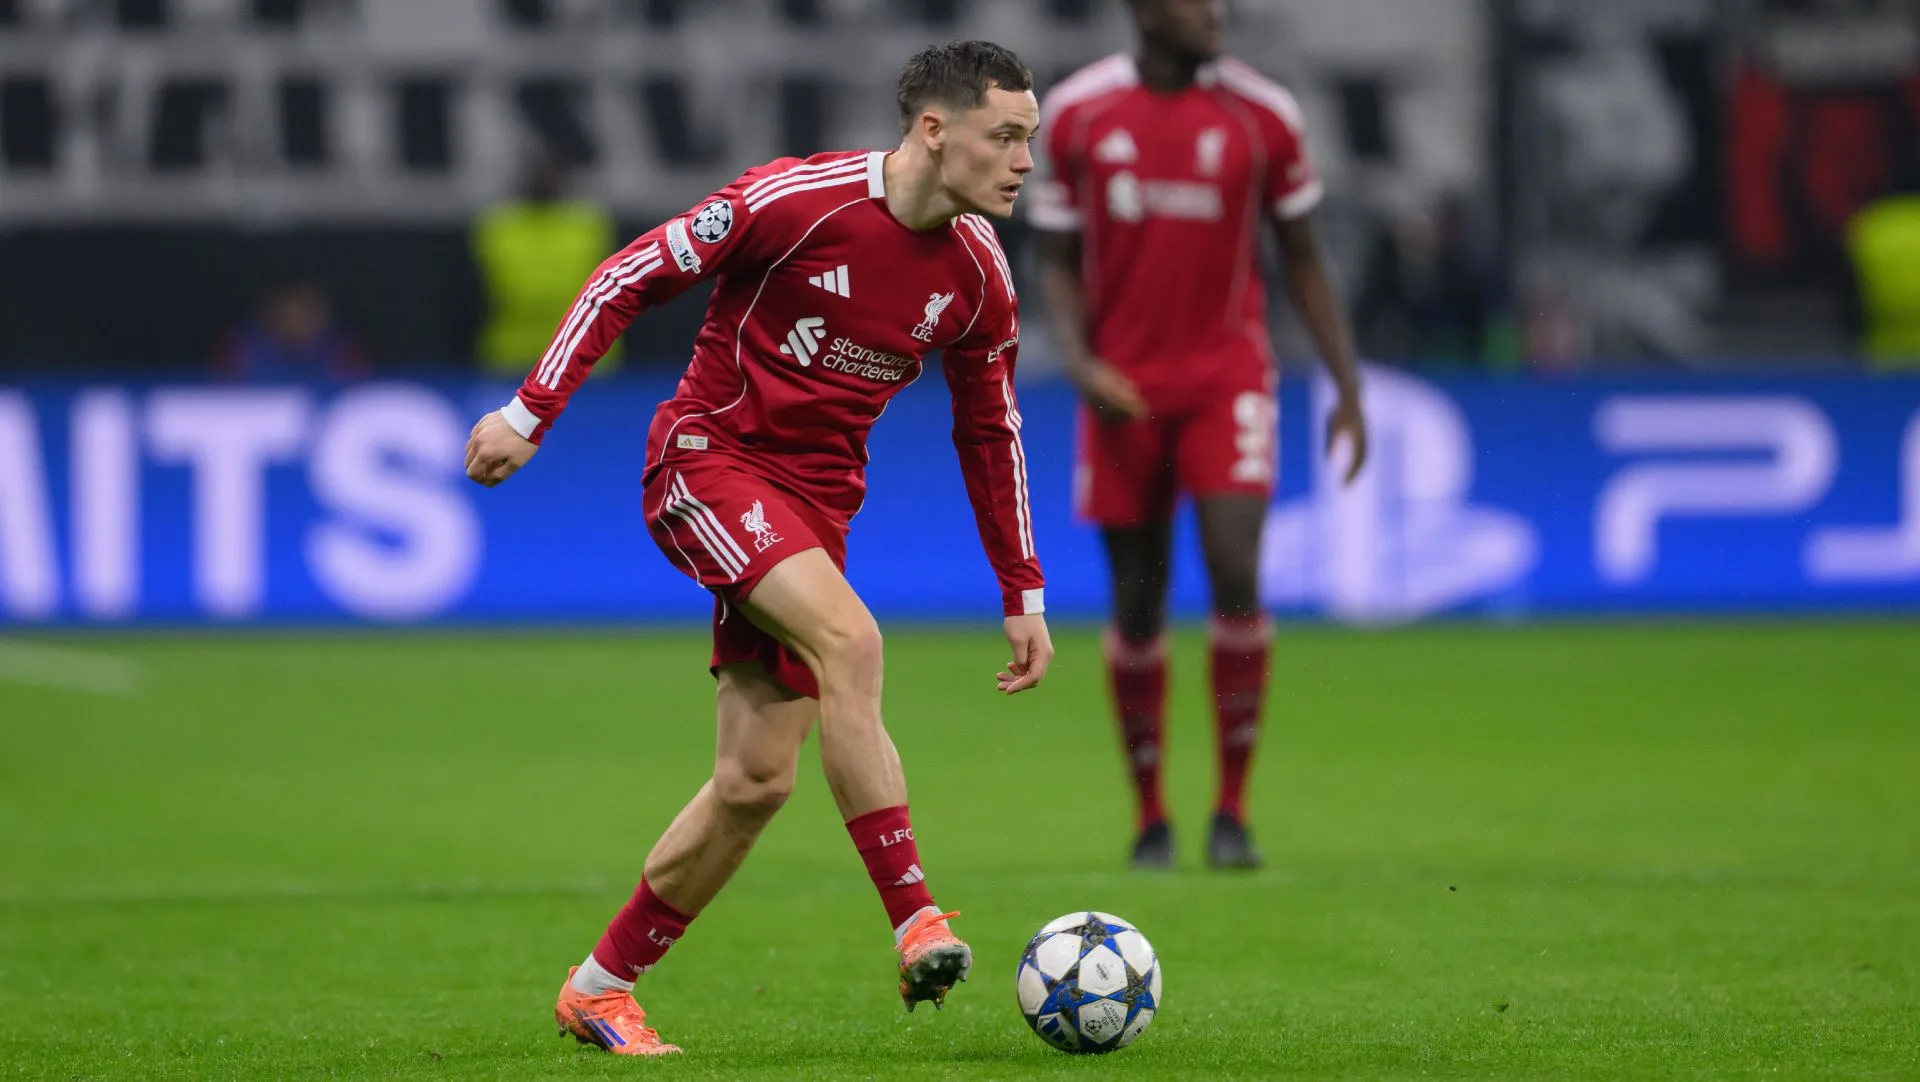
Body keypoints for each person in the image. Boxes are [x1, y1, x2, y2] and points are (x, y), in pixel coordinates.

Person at [463, 40, 1051, 1056]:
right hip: (706, 461)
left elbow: (991, 432)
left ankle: (601, 986)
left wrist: (1023, 588)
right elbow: (629, 273)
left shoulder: (978, 277)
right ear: (933, 129)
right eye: (1005, 136)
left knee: (755, 783)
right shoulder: (797, 200)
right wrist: (531, 408)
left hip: (814, 516)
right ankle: (916, 914)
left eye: (1029, 139)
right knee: (852, 644)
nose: (1023, 161)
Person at [1029, 0, 1368, 871]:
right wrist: (1079, 363)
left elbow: (1301, 255)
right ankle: (1150, 816)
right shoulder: (1078, 113)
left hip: (1227, 378)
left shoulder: (1263, 115)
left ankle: (1232, 812)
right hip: (1122, 390)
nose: (1218, 10)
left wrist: (1345, 381)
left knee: (1236, 572)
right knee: (1138, 603)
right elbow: (1057, 261)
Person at [471, 144, 623, 377]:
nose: (542, 179)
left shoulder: (589, 224)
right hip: (513, 355)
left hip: (583, 354)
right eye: (535, 172)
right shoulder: (498, 225)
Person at [213, 281, 366, 383]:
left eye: (310, 311)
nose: (301, 320)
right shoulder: (243, 349)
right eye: (294, 312)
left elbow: (358, 389)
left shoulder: (340, 351)